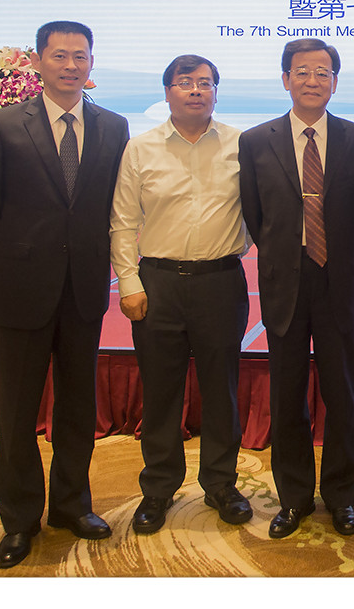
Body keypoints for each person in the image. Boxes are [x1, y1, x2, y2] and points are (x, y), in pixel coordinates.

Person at [0, 20, 130, 570]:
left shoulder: (113, 126)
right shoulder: (4, 124)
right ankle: (19, 520)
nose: (70, 65)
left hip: (83, 288)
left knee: (78, 408)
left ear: (91, 63)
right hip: (21, 288)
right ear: (38, 61)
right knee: (16, 412)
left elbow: (113, 204)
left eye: (80, 56)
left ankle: (71, 506)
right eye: (59, 55)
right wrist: (22, 252)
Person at [110, 54, 253, 535]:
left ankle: (221, 484)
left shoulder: (241, 145)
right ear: (167, 91)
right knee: (161, 392)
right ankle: (158, 487)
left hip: (220, 282)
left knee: (221, 391)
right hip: (159, 284)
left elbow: (261, 211)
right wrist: (129, 282)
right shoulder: (140, 148)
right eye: (185, 82)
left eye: (205, 83)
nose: (196, 90)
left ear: (216, 92)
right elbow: (122, 222)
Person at [239, 39, 354, 539]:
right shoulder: (256, 141)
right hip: (284, 281)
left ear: (335, 82)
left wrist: (330, 246)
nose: (312, 80)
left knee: (342, 394)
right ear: (285, 79)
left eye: (323, 72)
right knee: (287, 394)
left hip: (339, 280)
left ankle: (341, 497)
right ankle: (294, 498)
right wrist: (288, 251)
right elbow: (255, 213)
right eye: (302, 71)